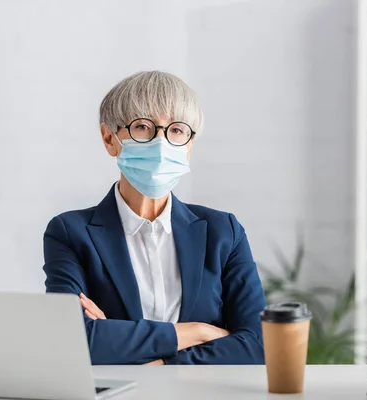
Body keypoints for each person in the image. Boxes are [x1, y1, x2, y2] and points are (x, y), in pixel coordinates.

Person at [43, 71, 266, 365]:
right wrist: (197, 332)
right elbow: (74, 341)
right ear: (110, 138)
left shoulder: (223, 232)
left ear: (189, 145)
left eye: (176, 130)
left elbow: (258, 345)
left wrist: (156, 361)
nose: (161, 144)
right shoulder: (70, 233)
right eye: (143, 127)